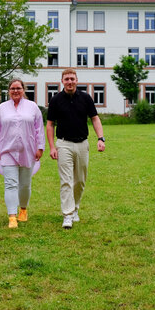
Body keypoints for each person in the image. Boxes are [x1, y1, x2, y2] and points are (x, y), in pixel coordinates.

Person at [46, 68, 105, 229]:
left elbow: (95, 119)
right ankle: (67, 214)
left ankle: (75, 208)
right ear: (62, 81)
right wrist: (52, 147)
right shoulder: (56, 100)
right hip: (63, 144)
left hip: (82, 144)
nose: (70, 82)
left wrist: (100, 138)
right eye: (67, 79)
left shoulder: (86, 98)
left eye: (72, 79)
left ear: (77, 80)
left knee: (79, 181)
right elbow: (50, 125)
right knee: (66, 181)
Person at [0, 79, 45, 229]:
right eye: (13, 88)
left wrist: (40, 147)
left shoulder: (32, 107)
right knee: (10, 184)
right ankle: (12, 216)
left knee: (25, 185)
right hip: (7, 150)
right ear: (8, 90)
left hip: (28, 150)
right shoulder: (2, 108)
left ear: (23, 90)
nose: (15, 91)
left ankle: (23, 209)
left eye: (18, 88)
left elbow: (39, 128)